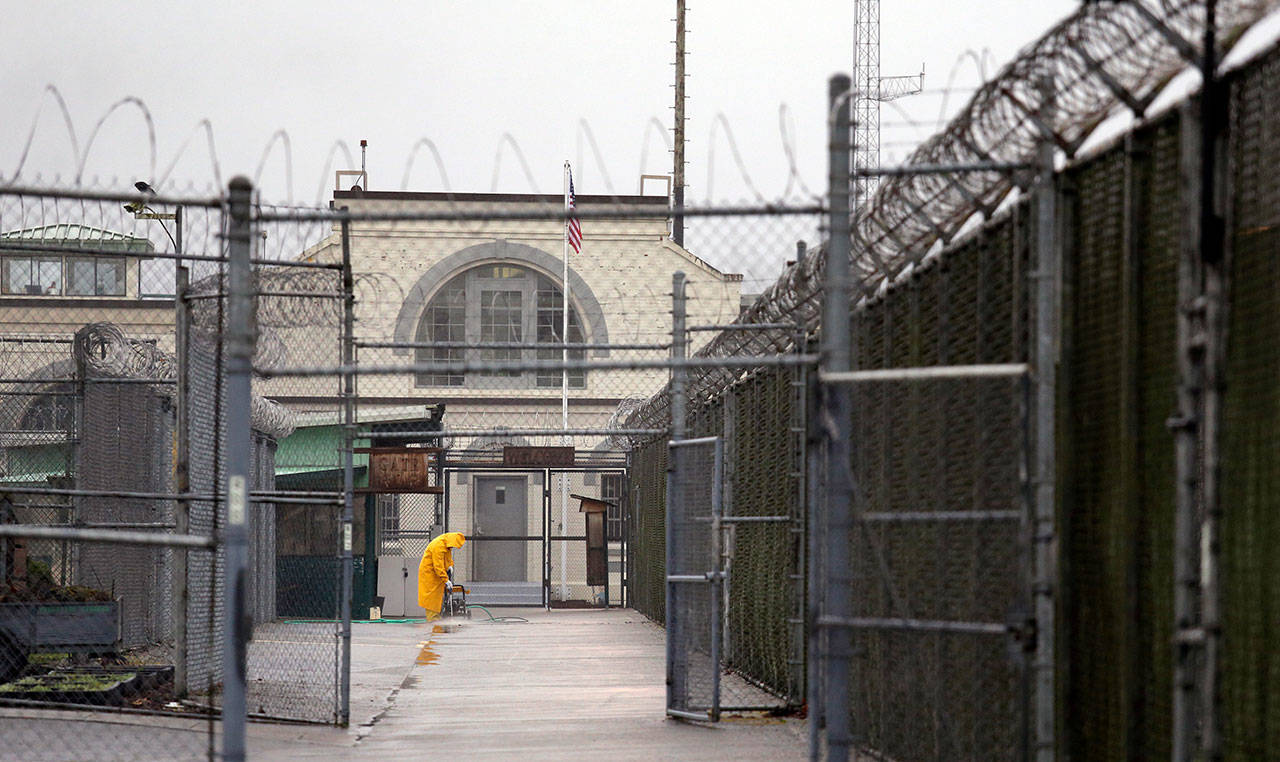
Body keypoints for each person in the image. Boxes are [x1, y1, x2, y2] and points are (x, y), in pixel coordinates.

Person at [418, 532, 466, 620]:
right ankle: (433, 621)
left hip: (437, 575)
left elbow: (448, 558)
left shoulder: (446, 545)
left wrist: (450, 565)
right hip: (430, 575)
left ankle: (436, 619)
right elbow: (438, 566)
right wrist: (446, 580)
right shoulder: (438, 546)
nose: (452, 548)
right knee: (431, 600)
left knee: (438, 598)